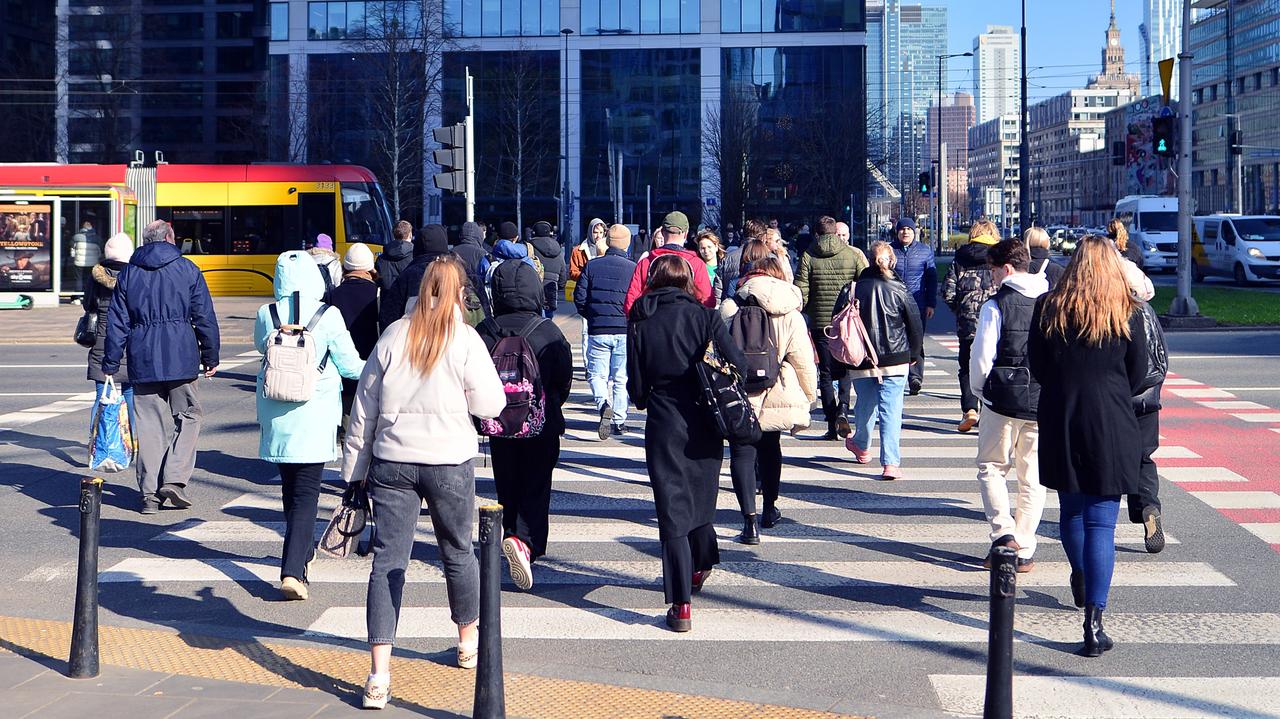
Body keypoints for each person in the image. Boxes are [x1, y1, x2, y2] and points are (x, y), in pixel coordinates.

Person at [343, 257, 507, 707]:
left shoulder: (394, 334)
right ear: (458, 293)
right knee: (457, 552)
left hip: (392, 461)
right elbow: (491, 404)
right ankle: (468, 642)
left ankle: (378, 675)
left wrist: (353, 474)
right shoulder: (465, 340)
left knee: (387, 562)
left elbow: (364, 410)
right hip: (449, 460)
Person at [1028, 235, 1147, 657]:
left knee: (1071, 510)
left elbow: (1037, 366)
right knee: (1102, 523)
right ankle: (1095, 622)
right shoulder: (1126, 311)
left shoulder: (1047, 307)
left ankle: (1079, 572)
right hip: (1111, 420)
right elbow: (1139, 372)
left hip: (1061, 415)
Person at [627, 254, 744, 632]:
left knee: (671, 509)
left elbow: (637, 385)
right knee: (701, 495)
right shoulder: (705, 317)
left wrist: (648, 397)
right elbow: (736, 361)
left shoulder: (641, 320)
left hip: (663, 420)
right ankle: (702, 562)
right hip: (705, 417)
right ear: (689, 282)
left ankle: (681, 605)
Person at [254, 251, 364, 601]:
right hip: (314, 413)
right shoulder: (328, 315)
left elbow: (262, 348)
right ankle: (293, 570)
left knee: (291, 489)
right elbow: (349, 366)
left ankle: (301, 553)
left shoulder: (266, 313)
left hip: (276, 411)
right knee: (307, 494)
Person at [103, 220, 220, 514]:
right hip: (182, 357)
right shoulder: (188, 269)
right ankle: (175, 479)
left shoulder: (130, 272)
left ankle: (149, 495)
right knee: (189, 417)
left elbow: (117, 322)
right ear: (170, 238)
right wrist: (210, 355)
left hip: (143, 357)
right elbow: (204, 315)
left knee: (150, 426)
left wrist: (111, 361)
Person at [477, 260, 573, 590]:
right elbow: (564, 377)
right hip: (540, 422)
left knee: (506, 482)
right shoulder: (547, 330)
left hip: (500, 421)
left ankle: (510, 534)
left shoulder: (485, 329)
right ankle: (525, 541)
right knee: (537, 483)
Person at [721, 256, 817, 542]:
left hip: (740, 390)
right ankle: (769, 508)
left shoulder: (731, 307)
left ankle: (748, 522)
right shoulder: (791, 313)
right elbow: (802, 360)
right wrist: (809, 396)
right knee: (770, 448)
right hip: (776, 388)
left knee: (741, 452)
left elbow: (717, 351)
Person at [969, 240, 1049, 573]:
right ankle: (1025, 548)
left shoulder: (997, 304)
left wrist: (980, 392)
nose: (991, 277)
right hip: (1042, 400)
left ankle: (1003, 534)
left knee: (991, 467)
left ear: (1006, 268)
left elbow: (982, 357)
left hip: (1001, 399)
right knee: (1033, 477)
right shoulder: (1051, 300)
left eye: (992, 269)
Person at [837, 241, 923, 480]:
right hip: (896, 357)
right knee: (891, 410)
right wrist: (914, 355)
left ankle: (862, 445)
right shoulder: (899, 288)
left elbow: (838, 323)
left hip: (861, 357)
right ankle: (890, 463)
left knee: (865, 404)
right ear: (891, 261)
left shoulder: (852, 289)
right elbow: (915, 324)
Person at [795, 215, 869, 439]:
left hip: (820, 322)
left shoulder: (808, 255)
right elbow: (864, 284)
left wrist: (803, 312)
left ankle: (830, 420)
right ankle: (844, 409)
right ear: (835, 233)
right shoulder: (852, 254)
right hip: (846, 321)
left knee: (825, 373)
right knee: (846, 366)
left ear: (817, 234)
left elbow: (802, 290)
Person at [574, 224, 637, 438]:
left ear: (607, 242)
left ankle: (603, 405)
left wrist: (591, 316)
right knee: (621, 377)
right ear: (627, 244)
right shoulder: (633, 268)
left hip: (598, 328)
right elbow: (638, 299)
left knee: (597, 374)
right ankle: (619, 420)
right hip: (623, 328)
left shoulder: (592, 266)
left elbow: (580, 297)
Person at [943, 219, 1000, 433]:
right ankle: (989, 410)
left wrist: (960, 310)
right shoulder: (999, 257)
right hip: (995, 321)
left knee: (966, 367)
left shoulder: (960, 257)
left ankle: (969, 410)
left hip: (968, 322)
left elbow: (948, 291)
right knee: (993, 365)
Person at [85, 233, 136, 433]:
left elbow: (88, 305)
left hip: (102, 340)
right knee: (130, 394)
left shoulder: (96, 276)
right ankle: (130, 441)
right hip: (130, 339)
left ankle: (96, 443)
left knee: (102, 396)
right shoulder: (135, 275)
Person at [623, 212, 715, 315]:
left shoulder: (646, 263)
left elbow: (630, 303)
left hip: (653, 326)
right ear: (686, 233)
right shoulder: (696, 264)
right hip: (686, 326)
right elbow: (708, 302)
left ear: (662, 232)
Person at [328, 243, 380, 422]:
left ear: (345, 267)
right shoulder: (378, 294)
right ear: (369, 268)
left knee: (348, 432)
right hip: (373, 371)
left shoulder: (332, 296)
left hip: (342, 378)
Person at [890, 217, 936, 395]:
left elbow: (931, 279)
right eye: (902, 229)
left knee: (916, 340)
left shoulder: (924, 251)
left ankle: (915, 377)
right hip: (894, 303)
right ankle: (898, 377)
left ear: (914, 231)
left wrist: (931, 303)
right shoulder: (890, 249)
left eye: (909, 229)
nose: (905, 232)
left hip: (918, 303)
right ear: (898, 232)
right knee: (896, 340)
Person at [378, 224, 451, 331]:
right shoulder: (460, 272)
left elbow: (388, 316)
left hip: (413, 337)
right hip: (452, 337)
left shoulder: (407, 275)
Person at [570, 218, 609, 362]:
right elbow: (572, 272)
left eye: (601, 232)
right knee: (586, 331)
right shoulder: (579, 250)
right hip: (586, 294)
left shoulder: (608, 250)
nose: (598, 235)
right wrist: (587, 275)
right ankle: (588, 363)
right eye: (595, 232)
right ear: (589, 232)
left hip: (603, 293)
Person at [452, 221, 492, 318]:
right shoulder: (482, 253)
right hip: (477, 297)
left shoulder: (452, 252)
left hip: (455, 294)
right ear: (479, 235)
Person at [528, 221, 566, 318]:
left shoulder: (530, 248)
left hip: (532, 291)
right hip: (551, 291)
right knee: (547, 321)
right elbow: (563, 278)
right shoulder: (557, 250)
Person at [374, 221, 415, 295]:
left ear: (393, 235)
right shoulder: (415, 257)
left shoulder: (381, 259)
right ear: (410, 234)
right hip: (407, 302)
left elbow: (378, 281)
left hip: (387, 302)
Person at [306, 233, 343, 299]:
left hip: (310, 295)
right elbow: (337, 283)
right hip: (328, 296)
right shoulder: (334, 262)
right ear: (330, 246)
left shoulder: (307, 259)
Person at [694, 229, 725, 304]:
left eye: (709, 247)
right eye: (703, 248)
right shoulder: (697, 268)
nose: (706, 251)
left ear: (716, 247)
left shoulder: (725, 266)